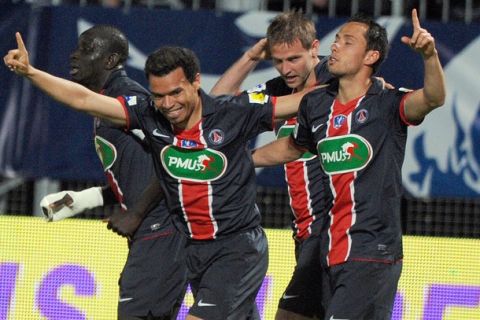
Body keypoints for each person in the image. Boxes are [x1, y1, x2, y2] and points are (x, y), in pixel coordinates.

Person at [4, 35, 314, 319]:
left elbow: (301, 101)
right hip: (193, 250)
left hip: (237, 249)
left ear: (195, 82)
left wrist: (354, 82)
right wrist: (31, 72)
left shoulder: (234, 113)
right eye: (159, 95)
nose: (168, 104)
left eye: (176, 92)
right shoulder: (151, 114)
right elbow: (83, 100)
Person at [251, 9, 446, 319]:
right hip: (329, 250)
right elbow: (292, 147)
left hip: (372, 252)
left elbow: (433, 97)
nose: (336, 46)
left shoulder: (387, 104)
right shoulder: (316, 105)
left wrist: (429, 55)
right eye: (337, 39)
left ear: (370, 55)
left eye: (348, 41)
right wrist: (243, 161)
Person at [37, 25, 188, 320]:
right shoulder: (110, 101)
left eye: (86, 48)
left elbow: (176, 158)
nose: (75, 55)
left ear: (110, 61)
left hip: (163, 229)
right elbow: (139, 174)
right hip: (156, 230)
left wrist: (136, 214)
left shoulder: (129, 98)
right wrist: (82, 200)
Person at [212, 11, 331, 320]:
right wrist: (252, 55)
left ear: (314, 48)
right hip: (305, 233)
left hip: (332, 231)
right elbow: (217, 106)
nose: (286, 69)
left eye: (294, 59)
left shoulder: (337, 83)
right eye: (278, 61)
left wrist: (242, 163)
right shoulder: (278, 90)